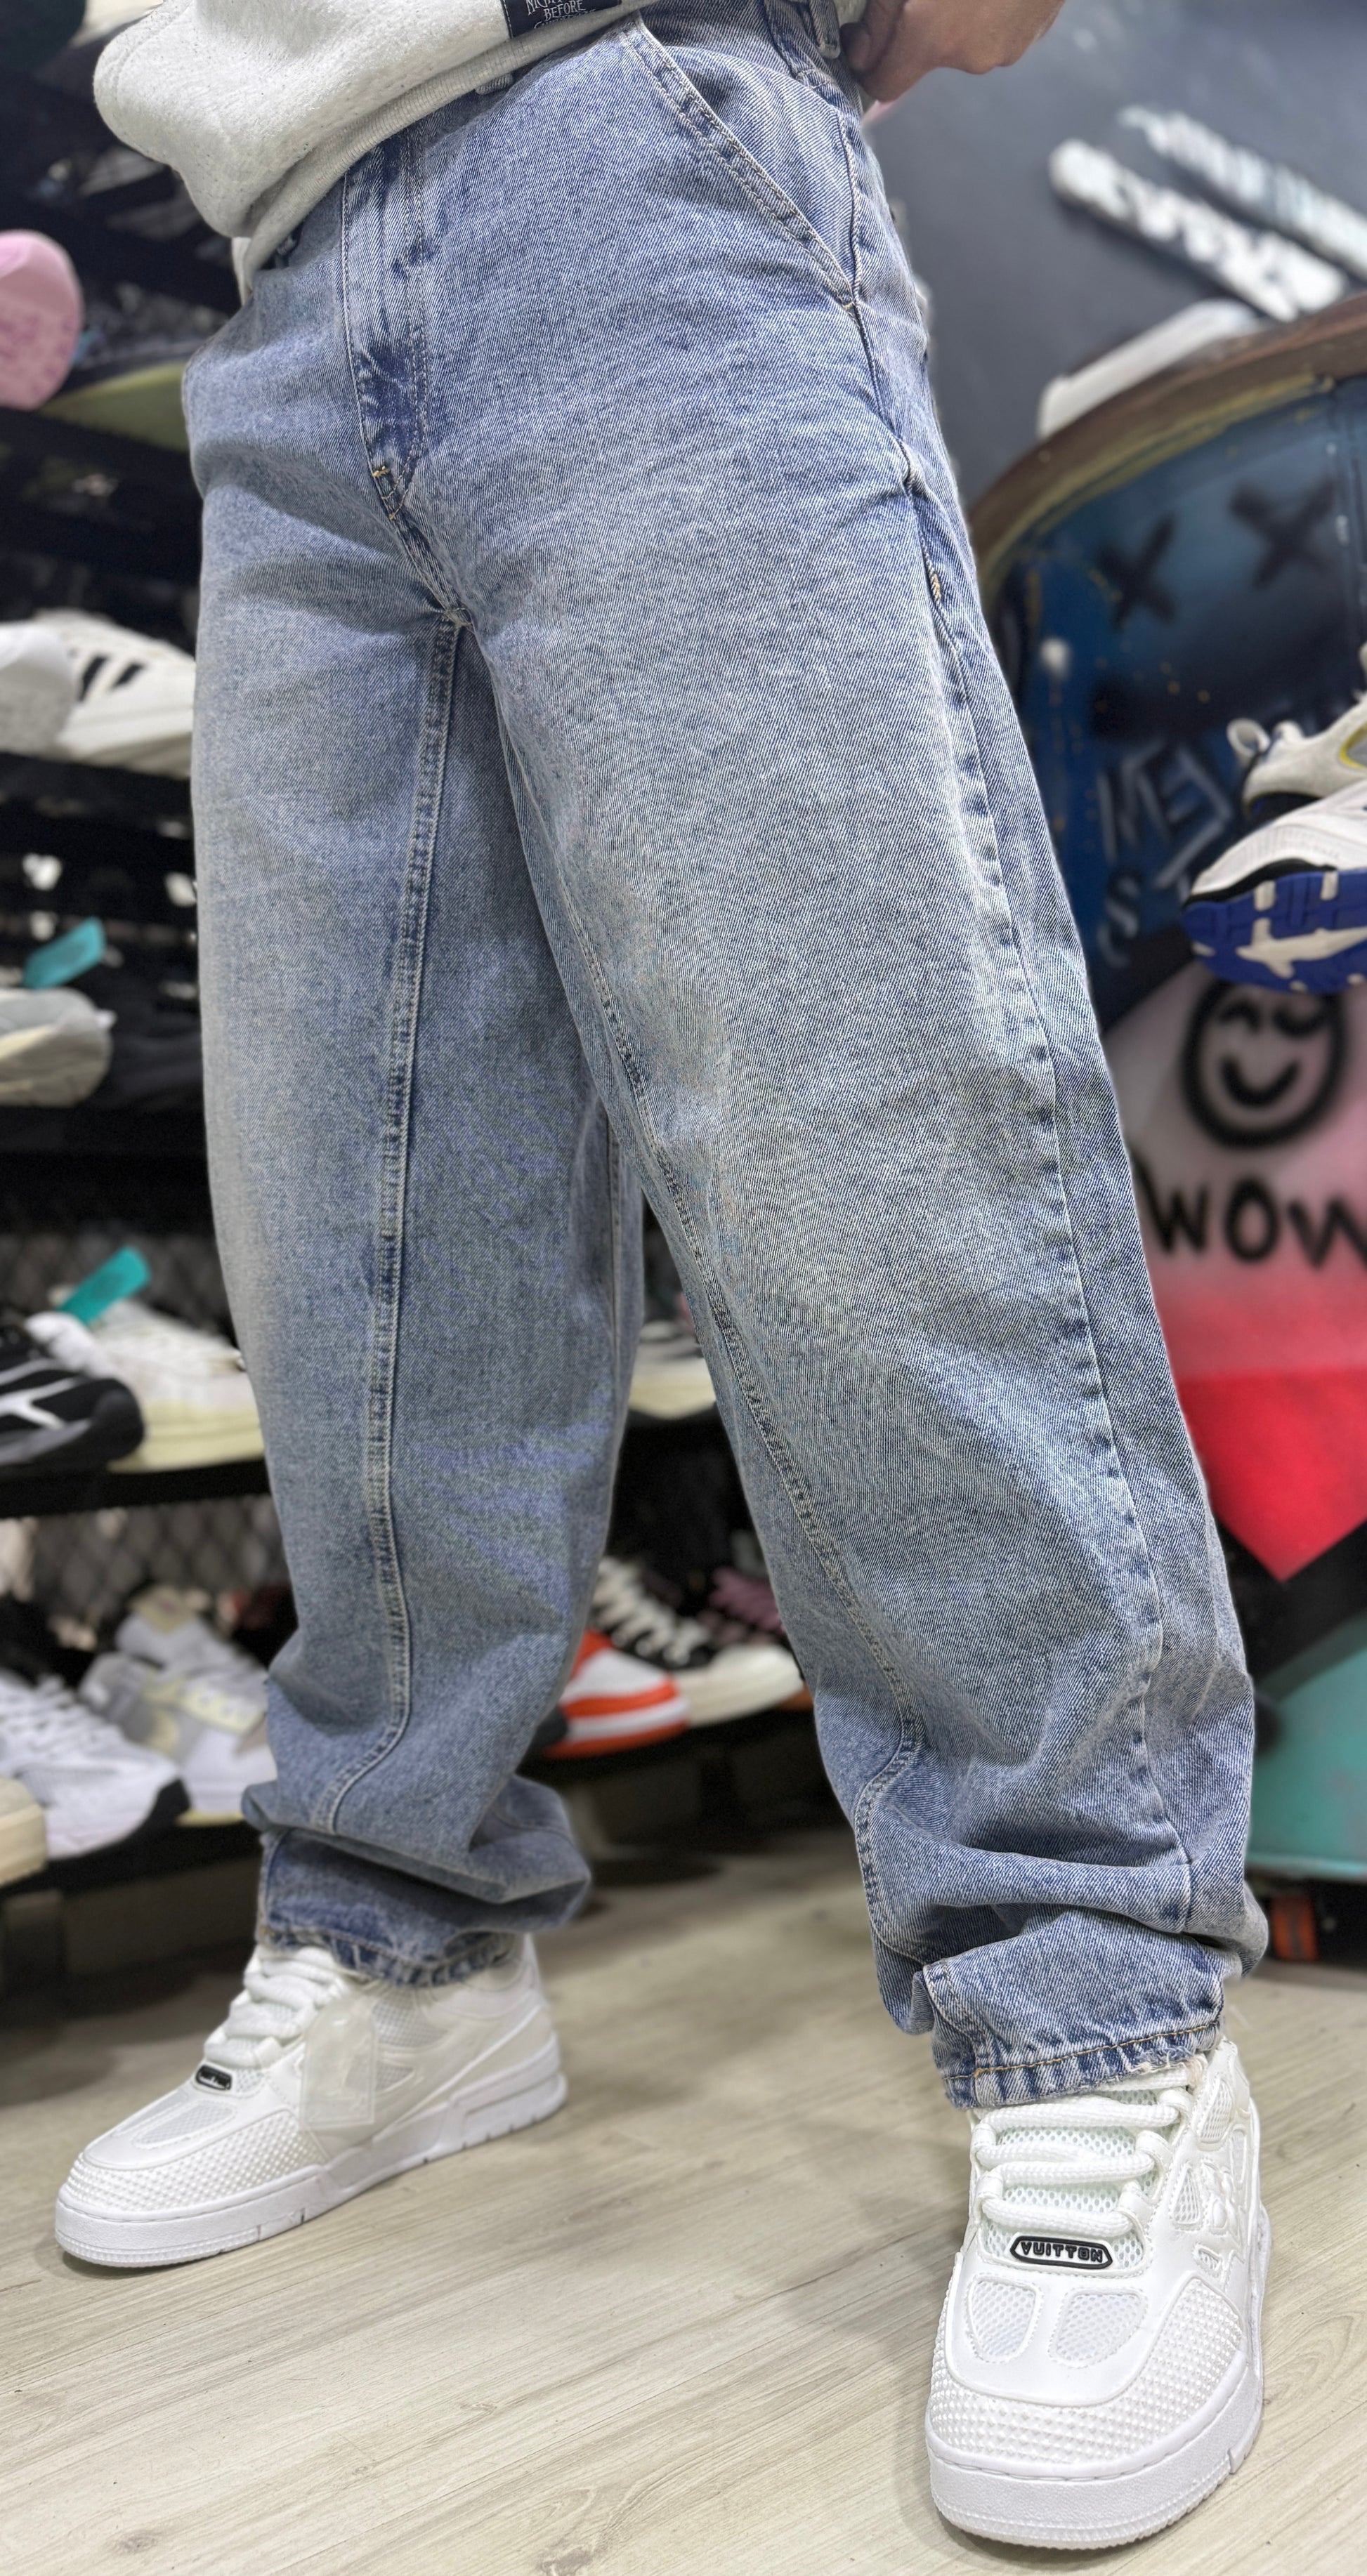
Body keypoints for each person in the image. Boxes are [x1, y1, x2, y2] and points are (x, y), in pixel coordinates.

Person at [58, 0, 1269, 2547]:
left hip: (638, 126)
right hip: (271, 255)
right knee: (364, 1206)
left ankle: (1092, 2009)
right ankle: (399, 1938)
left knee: (855, 1110)